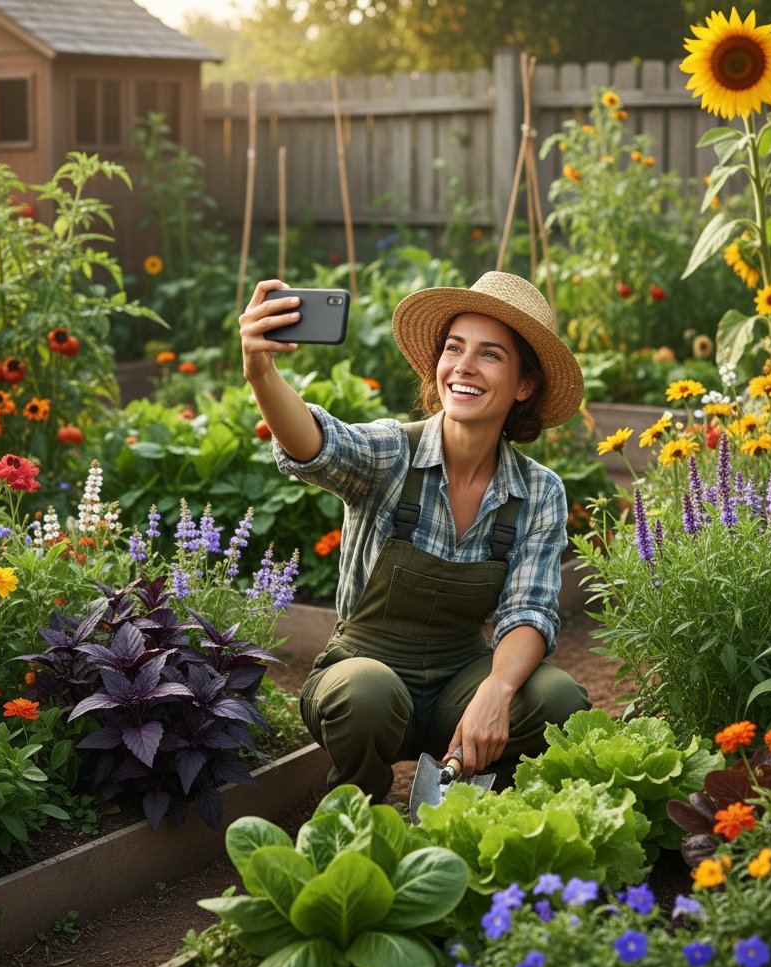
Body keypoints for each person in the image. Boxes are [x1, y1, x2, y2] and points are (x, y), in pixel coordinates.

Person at [239, 270, 590, 802]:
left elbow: (531, 610)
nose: (464, 366)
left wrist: (495, 690)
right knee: (367, 692)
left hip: (459, 684)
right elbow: (315, 445)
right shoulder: (391, 454)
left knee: (557, 697)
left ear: (524, 384)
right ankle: (356, 810)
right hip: (362, 675)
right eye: (454, 348)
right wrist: (261, 371)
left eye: (490, 354)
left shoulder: (538, 492)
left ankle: (487, 803)